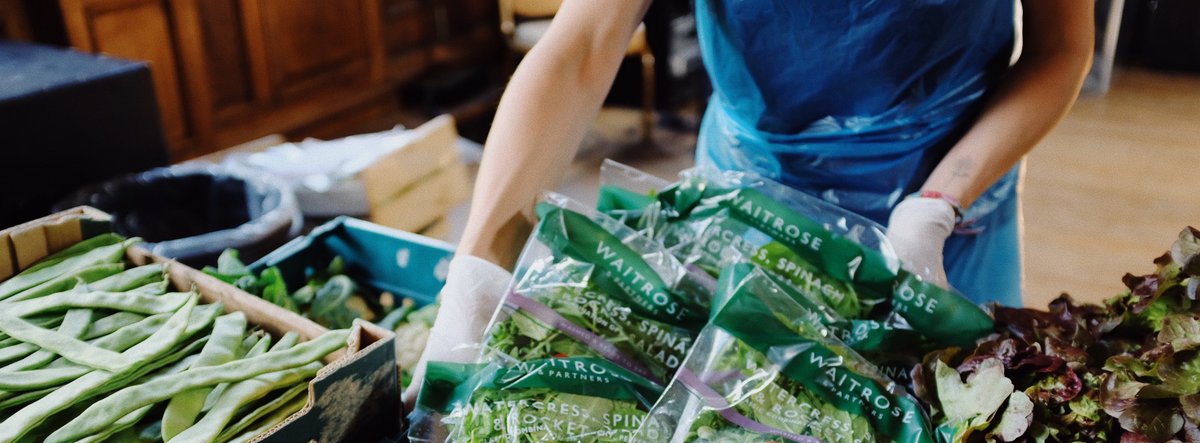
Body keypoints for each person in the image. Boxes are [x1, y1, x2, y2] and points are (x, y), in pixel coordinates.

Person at [407, 0, 1094, 401]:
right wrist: (477, 268)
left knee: (941, 430)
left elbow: (1061, 50)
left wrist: (936, 204)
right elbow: (581, 47)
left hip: (948, 202)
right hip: (756, 188)